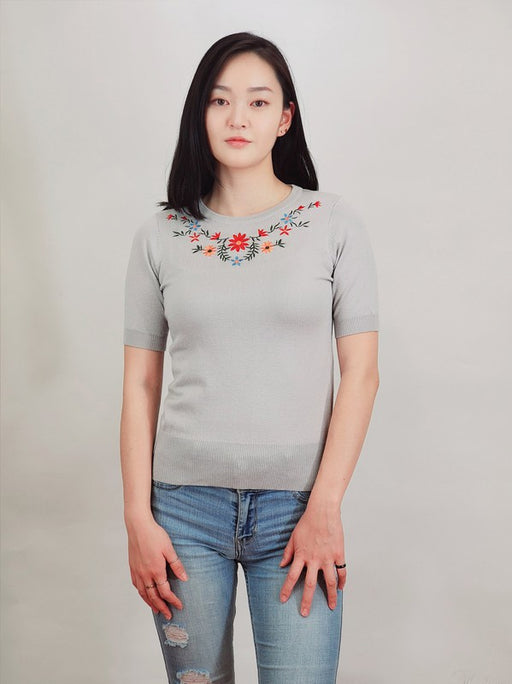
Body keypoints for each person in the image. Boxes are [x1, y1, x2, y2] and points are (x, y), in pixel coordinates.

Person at [120, 31, 380, 684]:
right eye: (220, 101)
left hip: (299, 512)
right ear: (200, 113)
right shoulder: (160, 235)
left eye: (258, 102)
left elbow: (362, 375)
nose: (238, 118)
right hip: (182, 512)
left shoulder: (333, 223)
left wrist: (325, 505)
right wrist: (137, 517)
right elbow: (140, 385)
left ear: (284, 118)